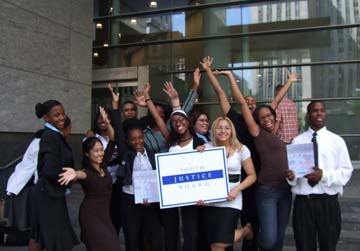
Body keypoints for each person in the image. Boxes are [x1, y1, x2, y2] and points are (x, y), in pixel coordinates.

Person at [134, 83, 206, 251]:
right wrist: (148, 98)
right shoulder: (171, 140)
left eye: (181, 119)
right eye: (174, 121)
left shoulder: (199, 142)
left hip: (191, 194)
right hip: (171, 194)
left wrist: (205, 150)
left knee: (190, 232)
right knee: (170, 231)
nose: (178, 123)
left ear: (188, 121)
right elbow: (159, 120)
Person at [200, 56, 260, 251]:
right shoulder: (232, 119)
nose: (248, 104)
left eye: (252, 102)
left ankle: (246, 231)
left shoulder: (255, 125)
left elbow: (241, 102)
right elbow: (221, 94)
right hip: (217, 191)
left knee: (222, 240)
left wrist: (229, 75)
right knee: (216, 242)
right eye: (246, 101)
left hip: (244, 180)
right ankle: (244, 231)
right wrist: (209, 71)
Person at [286, 101, 353, 251]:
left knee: (328, 246)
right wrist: (291, 178)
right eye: (315, 111)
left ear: (325, 114)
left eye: (322, 110)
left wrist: (323, 175)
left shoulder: (337, 141)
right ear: (308, 115)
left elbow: (346, 172)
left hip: (328, 203)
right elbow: (293, 176)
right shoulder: (297, 141)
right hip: (304, 204)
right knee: (304, 247)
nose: (319, 114)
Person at [59, 107, 120, 251]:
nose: (100, 153)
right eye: (96, 151)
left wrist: (107, 122)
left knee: (114, 246)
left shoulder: (103, 165)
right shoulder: (87, 172)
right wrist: (74, 173)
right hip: (90, 216)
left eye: (101, 150)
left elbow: (112, 139)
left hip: (105, 216)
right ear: (87, 154)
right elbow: (81, 174)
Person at [28, 100, 79, 251]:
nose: (62, 118)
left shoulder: (53, 135)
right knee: (58, 240)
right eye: (56, 115)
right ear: (46, 118)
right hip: (48, 194)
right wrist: (71, 177)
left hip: (47, 192)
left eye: (63, 114)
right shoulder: (51, 136)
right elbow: (50, 170)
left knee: (40, 236)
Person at [203, 116, 256, 251]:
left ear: (231, 131)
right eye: (219, 128)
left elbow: (252, 176)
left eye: (226, 128)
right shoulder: (206, 148)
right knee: (214, 244)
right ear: (214, 130)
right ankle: (245, 231)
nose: (223, 131)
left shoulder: (241, 149)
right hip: (211, 200)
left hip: (232, 199)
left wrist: (237, 190)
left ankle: (245, 230)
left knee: (220, 243)